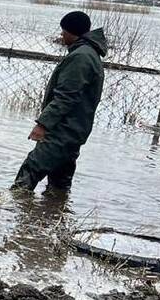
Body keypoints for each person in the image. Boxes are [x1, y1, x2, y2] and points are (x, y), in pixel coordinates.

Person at [12, 11, 108, 192]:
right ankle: (54, 209)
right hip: (74, 131)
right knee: (59, 187)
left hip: (62, 131)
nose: (62, 35)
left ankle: (12, 206)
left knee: (28, 174)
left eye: (64, 31)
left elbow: (65, 97)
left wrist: (42, 124)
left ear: (73, 32)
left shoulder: (81, 57)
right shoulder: (89, 54)